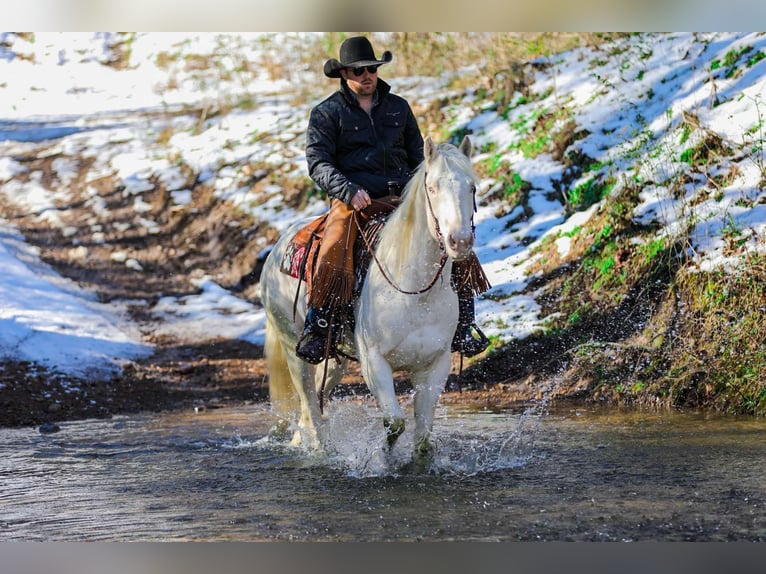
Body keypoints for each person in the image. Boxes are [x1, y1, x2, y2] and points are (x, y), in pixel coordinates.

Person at [296, 35, 490, 364]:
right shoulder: (327, 113)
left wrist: (424, 191)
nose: (367, 75)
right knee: (334, 242)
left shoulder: (398, 107)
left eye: (371, 68)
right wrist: (347, 190)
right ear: (344, 74)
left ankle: (464, 322)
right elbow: (318, 163)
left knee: (455, 239)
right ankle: (319, 325)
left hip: (403, 197)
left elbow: (419, 159)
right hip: (354, 199)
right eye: (358, 71)